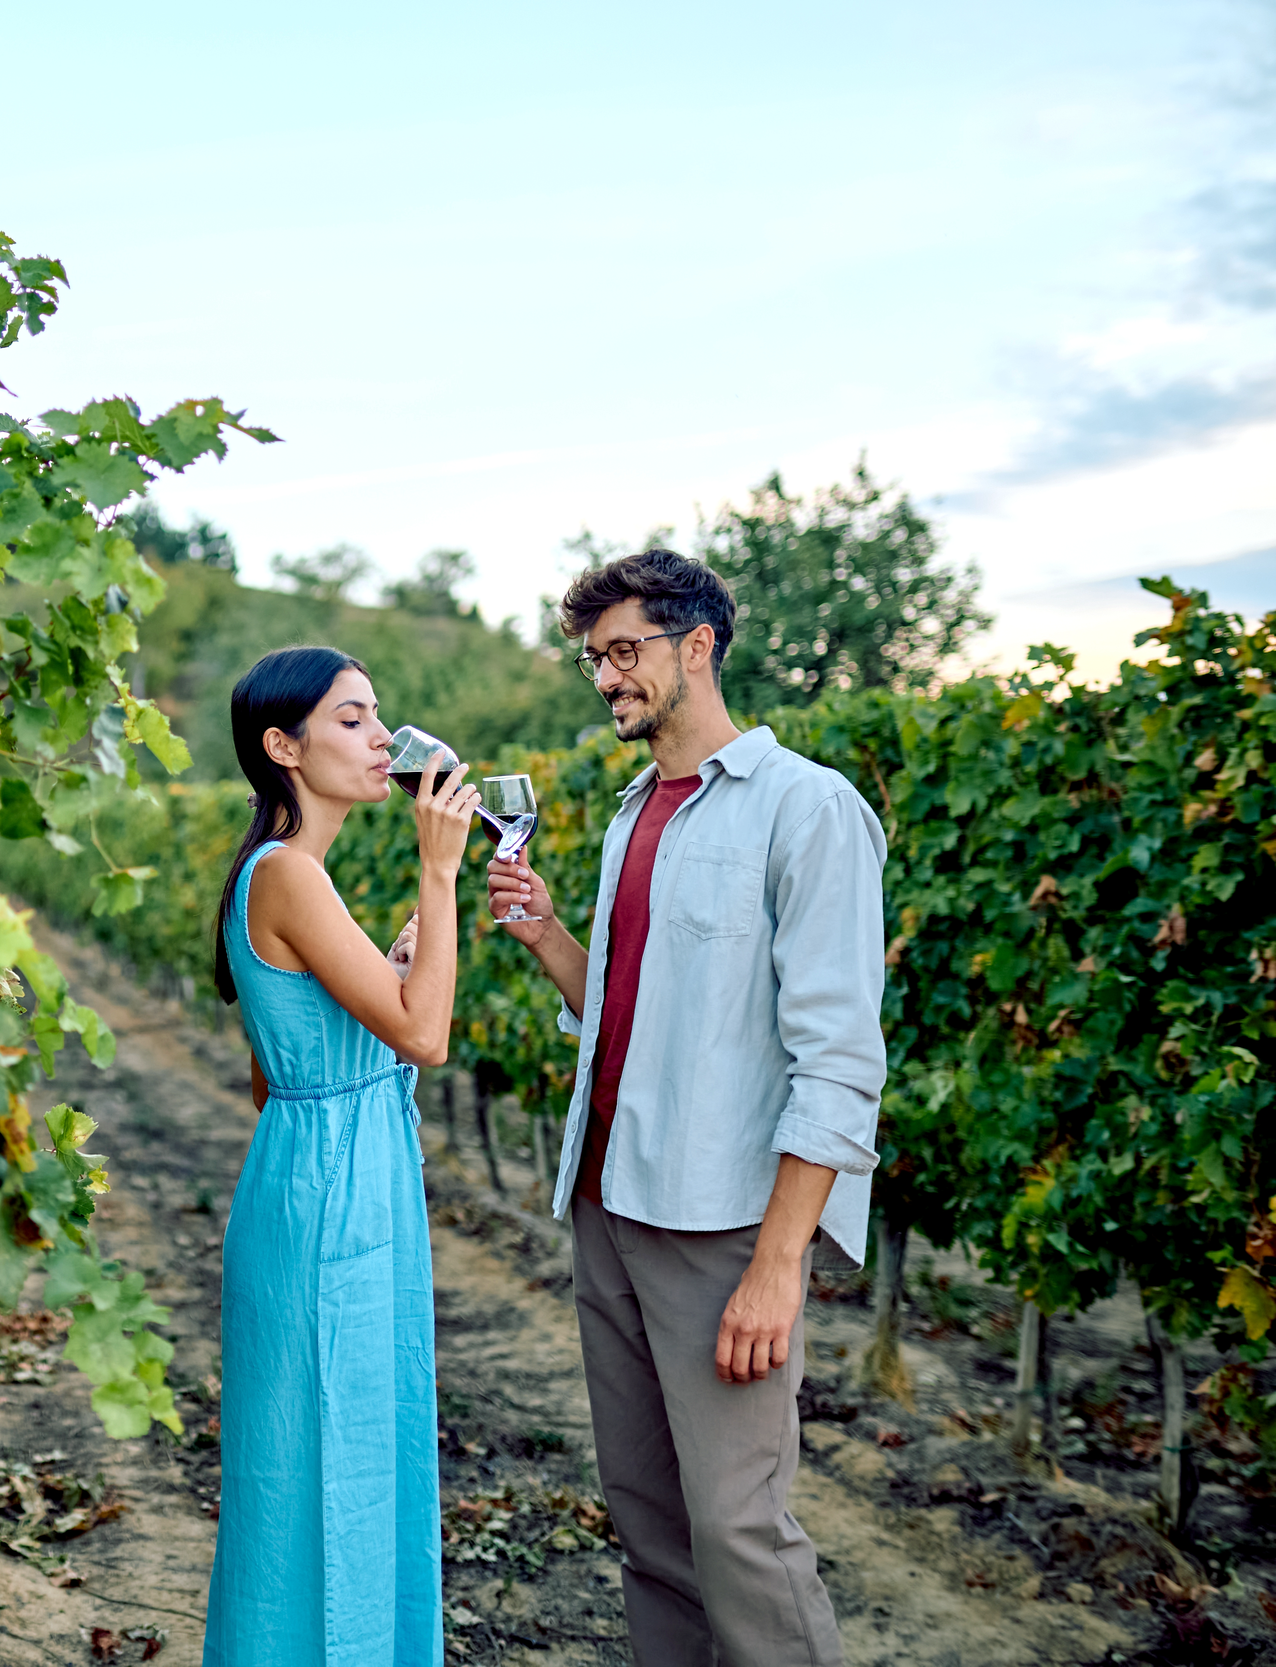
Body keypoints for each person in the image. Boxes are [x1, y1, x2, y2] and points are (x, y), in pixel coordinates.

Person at [485, 549, 885, 1666]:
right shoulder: (634, 814)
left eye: (624, 651)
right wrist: (552, 937)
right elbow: (626, 1016)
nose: (606, 677)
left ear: (696, 645)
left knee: (739, 1527)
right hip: (608, 1199)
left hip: (719, 1225)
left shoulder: (807, 809)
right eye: (592, 658)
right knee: (648, 1520)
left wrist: (778, 1260)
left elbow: (842, 1060)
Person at [202, 645, 476, 1667]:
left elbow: (281, 1071)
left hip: (324, 1182)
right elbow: (427, 1036)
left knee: (337, 1454)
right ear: (284, 746)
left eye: (377, 716)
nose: (380, 739)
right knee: (326, 1459)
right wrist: (439, 874)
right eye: (353, 719)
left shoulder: (279, 873)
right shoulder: (287, 873)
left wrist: (394, 973)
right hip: (332, 1200)